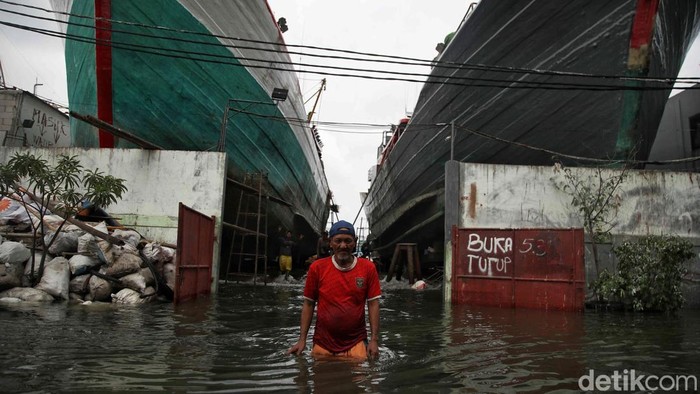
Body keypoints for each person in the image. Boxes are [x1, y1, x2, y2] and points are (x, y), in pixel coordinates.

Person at [287, 220, 381, 360]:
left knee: (360, 378)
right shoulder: (317, 268)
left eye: (348, 241)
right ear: (330, 242)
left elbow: (373, 304)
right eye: (338, 241)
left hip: (356, 342)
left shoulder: (368, 268)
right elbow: (308, 304)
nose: (343, 245)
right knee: (321, 379)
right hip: (323, 343)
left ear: (355, 242)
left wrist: (374, 341)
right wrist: (302, 340)